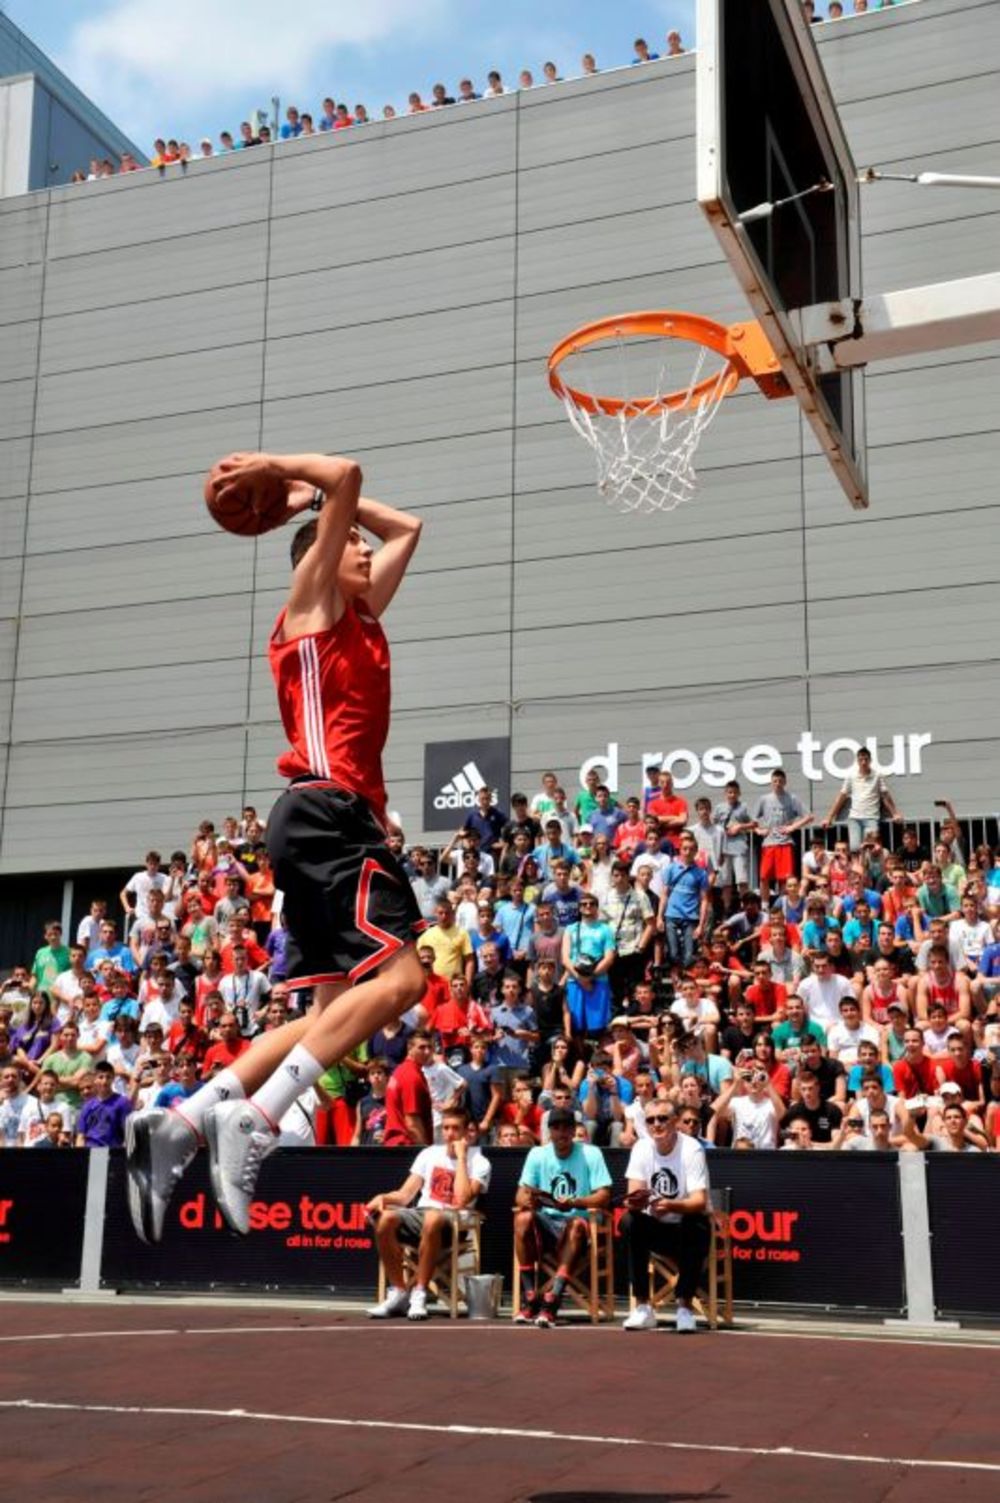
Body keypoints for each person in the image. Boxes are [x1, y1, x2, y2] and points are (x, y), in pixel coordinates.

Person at [127, 451, 426, 1241]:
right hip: (332, 813)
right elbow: (351, 476)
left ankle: (186, 1121)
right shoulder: (314, 607)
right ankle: (254, 1119)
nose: (366, 544)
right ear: (324, 560)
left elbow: (409, 525)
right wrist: (290, 473)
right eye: (349, 540)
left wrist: (318, 500)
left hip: (318, 821)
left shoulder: (361, 619)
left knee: (331, 1013)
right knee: (403, 980)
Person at [366, 1106, 491, 1320]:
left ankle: (420, 1293)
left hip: (455, 1224)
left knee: (433, 1217)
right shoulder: (429, 1153)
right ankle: (399, 1292)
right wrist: (383, 1198)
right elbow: (405, 1195)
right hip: (421, 1215)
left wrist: (461, 1158)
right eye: (446, 1128)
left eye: (455, 1128)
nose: (449, 1133)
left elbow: (462, 1200)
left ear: (467, 1131)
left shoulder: (479, 1161)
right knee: (385, 1218)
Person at [514, 1108, 612, 1326]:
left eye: (567, 1127)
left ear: (574, 1130)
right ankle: (530, 1296)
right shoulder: (537, 1154)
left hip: (579, 1230)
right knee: (521, 1218)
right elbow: (520, 1194)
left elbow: (604, 1195)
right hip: (546, 1225)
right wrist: (528, 1201)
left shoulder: (591, 1153)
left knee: (576, 1223)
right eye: (556, 1128)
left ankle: (553, 1298)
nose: (562, 1132)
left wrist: (575, 1202)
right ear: (549, 1132)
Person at [621, 1099, 710, 1332]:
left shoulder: (692, 1149)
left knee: (698, 1223)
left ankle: (684, 1307)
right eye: (650, 1120)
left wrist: (670, 1205)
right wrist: (645, 1204)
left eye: (662, 1119)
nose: (656, 1125)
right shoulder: (641, 1148)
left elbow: (699, 1201)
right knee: (629, 1221)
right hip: (656, 1227)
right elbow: (633, 1195)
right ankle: (642, 1307)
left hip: (684, 1229)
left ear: (675, 1122)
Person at [823, 746, 901, 851]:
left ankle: (869, 867)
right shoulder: (851, 776)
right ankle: (858, 867)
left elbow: (885, 796)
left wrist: (895, 813)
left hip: (872, 817)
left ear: (870, 760)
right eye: (861, 759)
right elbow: (841, 797)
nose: (863, 762)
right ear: (857, 761)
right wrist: (829, 817)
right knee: (855, 849)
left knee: (871, 848)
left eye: (866, 759)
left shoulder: (877, 776)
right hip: (855, 818)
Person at [382, 1029, 434, 1147]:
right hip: (406, 1146)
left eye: (430, 1047)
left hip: (397, 1145)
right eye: (421, 1047)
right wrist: (425, 1152)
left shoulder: (401, 1071)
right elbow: (412, 1123)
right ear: (410, 1049)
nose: (427, 1052)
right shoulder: (411, 1076)